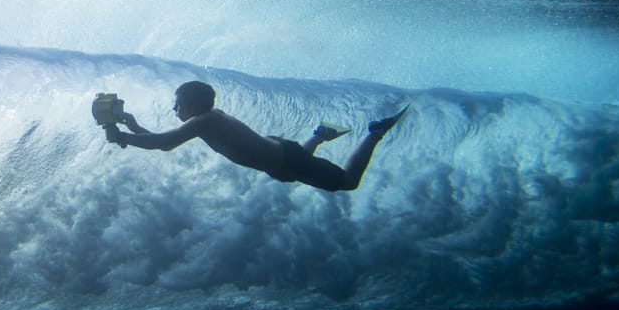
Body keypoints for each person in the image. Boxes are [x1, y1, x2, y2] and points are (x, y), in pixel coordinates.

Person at [102, 81, 406, 192]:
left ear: (193, 105)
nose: (174, 108)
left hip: (286, 158)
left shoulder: (203, 121)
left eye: (178, 103)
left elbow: (164, 143)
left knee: (347, 182)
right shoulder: (208, 119)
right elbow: (163, 140)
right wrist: (132, 127)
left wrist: (124, 138)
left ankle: (374, 134)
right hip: (282, 157)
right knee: (291, 166)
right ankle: (319, 135)